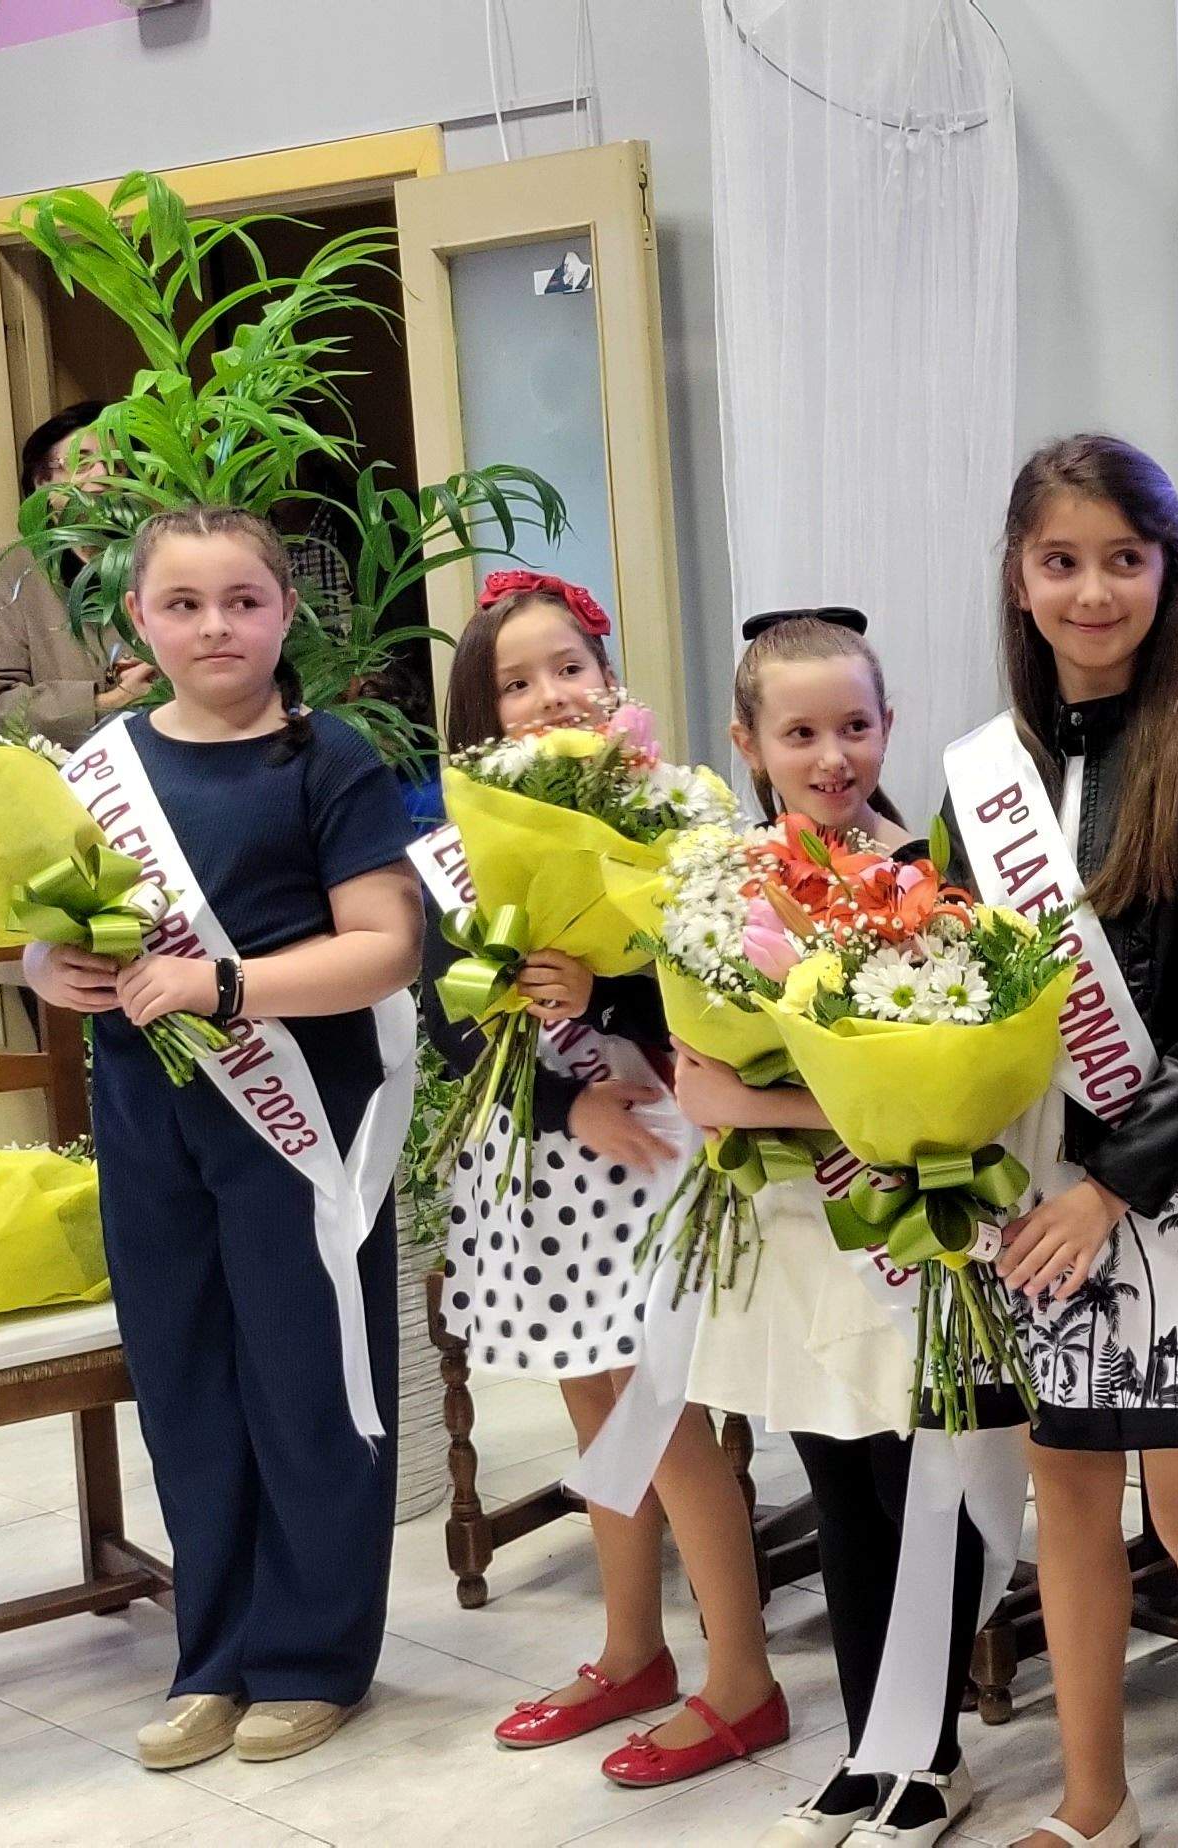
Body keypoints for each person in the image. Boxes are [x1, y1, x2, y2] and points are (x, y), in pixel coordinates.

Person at [19, 505, 423, 1771]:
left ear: (282, 614)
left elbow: (385, 946)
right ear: (137, 618)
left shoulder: (326, 758)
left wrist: (227, 986)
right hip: (149, 1115)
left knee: (305, 1379)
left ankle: (313, 1657)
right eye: (184, 604)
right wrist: (46, 966)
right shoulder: (102, 766)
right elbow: (38, 928)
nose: (215, 626)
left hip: (299, 1117)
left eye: (242, 601)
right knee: (187, 1382)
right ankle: (215, 1655)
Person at [954, 436, 1178, 1848]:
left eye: (1123, 560)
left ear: (1166, 578)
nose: (1093, 591)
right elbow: (938, 979)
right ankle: (1092, 1801)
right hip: (1039, 1199)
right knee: (1069, 1492)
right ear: (1021, 581)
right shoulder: (992, 775)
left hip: (1174, 1191)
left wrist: (1113, 1184)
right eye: (1062, 562)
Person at [421, 572, 789, 1787]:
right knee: (592, 1410)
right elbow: (449, 1013)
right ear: (477, 716)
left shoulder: (674, 817)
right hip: (539, 1159)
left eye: (566, 668)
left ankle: (740, 1676)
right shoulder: (453, 844)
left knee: (665, 1418)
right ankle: (632, 1648)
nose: (544, 697)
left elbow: (708, 981)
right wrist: (554, 1089)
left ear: (609, 679)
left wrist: (604, 1000)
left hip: (645, 1154)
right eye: (513, 684)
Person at [678, 605, 998, 1848]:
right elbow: (697, 1062)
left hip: (906, 1236)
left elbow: (935, 1081)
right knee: (834, 1491)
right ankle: (872, 1743)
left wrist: (759, 1098)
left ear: (888, 725)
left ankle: (931, 1753)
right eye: (800, 731)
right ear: (747, 742)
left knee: (915, 1484)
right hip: (788, 1234)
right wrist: (729, 1096)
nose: (832, 757)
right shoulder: (719, 893)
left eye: (854, 726)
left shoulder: (933, 874)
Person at [0, 401, 157, 746]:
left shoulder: (167, 563)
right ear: (43, 482)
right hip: (55, 783)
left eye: (120, 465)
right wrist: (106, 702)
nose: (102, 477)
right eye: (82, 463)